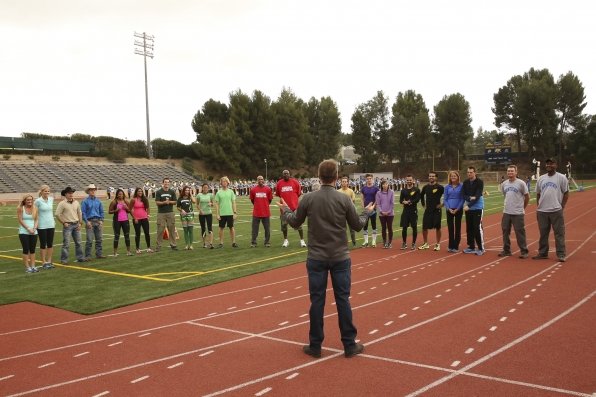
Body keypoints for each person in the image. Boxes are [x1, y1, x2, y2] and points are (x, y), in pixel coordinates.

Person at [278, 159, 374, 359]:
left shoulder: (308, 198)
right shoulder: (344, 199)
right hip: (340, 257)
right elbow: (357, 225)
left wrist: (285, 210)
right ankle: (349, 344)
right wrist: (366, 211)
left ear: (319, 177)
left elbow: (295, 222)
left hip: (316, 257)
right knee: (343, 300)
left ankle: (315, 345)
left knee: (317, 302)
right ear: (337, 178)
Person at [534, 158, 569, 262]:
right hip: (542, 211)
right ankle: (543, 253)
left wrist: (562, 205)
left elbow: (566, 193)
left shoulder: (561, 178)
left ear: (556, 165)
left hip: (556, 210)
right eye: (548, 164)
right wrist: (539, 205)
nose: (549, 165)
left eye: (551, 163)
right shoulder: (541, 179)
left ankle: (561, 254)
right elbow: (538, 194)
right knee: (543, 234)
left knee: (559, 233)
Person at [499, 165, 530, 259]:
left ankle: (524, 251)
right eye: (508, 171)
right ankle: (507, 250)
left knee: (520, 232)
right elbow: (505, 195)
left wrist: (522, 207)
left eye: (512, 171)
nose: (510, 173)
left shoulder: (521, 183)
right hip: (507, 212)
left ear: (516, 172)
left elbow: (527, 197)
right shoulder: (504, 184)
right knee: (505, 231)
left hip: (518, 213)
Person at [276, 170, 306, 247]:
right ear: (282, 175)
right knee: (284, 226)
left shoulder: (295, 182)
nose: (286, 175)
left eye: (287, 174)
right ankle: (285, 240)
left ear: (289, 174)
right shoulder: (279, 183)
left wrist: (293, 202)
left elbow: (299, 194)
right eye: (284, 174)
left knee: (299, 225)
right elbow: (279, 195)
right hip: (284, 208)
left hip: (294, 208)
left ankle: (302, 240)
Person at [55, 187, 84, 264]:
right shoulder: (62, 203)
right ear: (65, 194)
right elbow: (57, 214)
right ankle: (64, 260)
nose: (71, 194)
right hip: (68, 225)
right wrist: (64, 223)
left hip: (76, 224)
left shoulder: (76, 202)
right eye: (69, 193)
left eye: (71, 193)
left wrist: (80, 223)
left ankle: (80, 257)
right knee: (66, 244)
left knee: (78, 242)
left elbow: (79, 213)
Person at [462, 167, 485, 255]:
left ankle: (481, 248)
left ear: (475, 173)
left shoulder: (479, 182)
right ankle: (471, 246)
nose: (469, 174)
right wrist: (469, 198)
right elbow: (463, 195)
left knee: (477, 227)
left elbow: (478, 196)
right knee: (469, 228)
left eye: (471, 172)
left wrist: (469, 205)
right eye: (468, 172)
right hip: (469, 208)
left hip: (477, 208)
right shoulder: (465, 182)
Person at [419, 172, 445, 251]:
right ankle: (425, 243)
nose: (431, 177)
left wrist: (443, 204)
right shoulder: (425, 187)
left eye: (433, 176)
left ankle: (438, 244)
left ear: (436, 178)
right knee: (424, 227)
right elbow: (421, 195)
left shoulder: (440, 187)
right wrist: (423, 205)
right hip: (428, 210)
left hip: (436, 210)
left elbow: (447, 195)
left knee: (438, 227)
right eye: (430, 176)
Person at [81, 184, 105, 261]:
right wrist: (86, 221)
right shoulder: (85, 201)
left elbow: (101, 211)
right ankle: (88, 255)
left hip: (98, 221)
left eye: (94, 190)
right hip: (90, 221)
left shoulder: (98, 201)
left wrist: (101, 220)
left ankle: (99, 253)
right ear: (88, 191)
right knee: (89, 240)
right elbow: (83, 213)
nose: (93, 191)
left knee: (99, 239)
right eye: (91, 190)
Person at [34, 185, 56, 269]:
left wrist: (53, 222)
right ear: (42, 192)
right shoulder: (38, 201)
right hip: (42, 225)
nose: (47, 192)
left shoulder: (51, 199)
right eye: (45, 191)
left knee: (50, 243)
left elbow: (50, 212)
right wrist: (36, 223)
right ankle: (43, 262)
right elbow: (35, 213)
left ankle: (49, 261)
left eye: (48, 191)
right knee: (43, 244)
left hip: (50, 224)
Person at [215, 176, 239, 249]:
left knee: (231, 227)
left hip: (230, 213)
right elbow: (217, 204)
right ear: (221, 183)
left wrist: (235, 212)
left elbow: (233, 202)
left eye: (225, 181)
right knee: (221, 228)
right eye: (223, 181)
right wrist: (217, 214)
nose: (224, 182)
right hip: (222, 213)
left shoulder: (231, 191)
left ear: (228, 183)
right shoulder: (219, 192)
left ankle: (233, 242)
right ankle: (221, 243)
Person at [155, 178, 178, 252]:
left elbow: (175, 202)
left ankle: (173, 244)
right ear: (163, 183)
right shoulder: (159, 192)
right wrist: (164, 202)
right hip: (161, 213)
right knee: (160, 229)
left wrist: (169, 202)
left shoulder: (172, 191)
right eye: (165, 182)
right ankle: (158, 246)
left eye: (168, 182)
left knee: (171, 229)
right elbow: (157, 203)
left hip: (170, 212)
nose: (167, 183)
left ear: (169, 183)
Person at [249, 175, 273, 248]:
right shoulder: (253, 189)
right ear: (257, 180)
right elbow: (252, 200)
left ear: (264, 180)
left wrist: (265, 205)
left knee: (267, 228)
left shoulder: (268, 189)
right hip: (256, 213)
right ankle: (254, 242)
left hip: (266, 212)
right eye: (259, 179)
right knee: (254, 229)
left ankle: (267, 242)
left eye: (262, 179)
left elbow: (270, 200)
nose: (260, 180)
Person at [129, 187, 154, 254]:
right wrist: (134, 218)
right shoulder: (133, 200)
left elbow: (148, 208)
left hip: (144, 218)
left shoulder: (145, 199)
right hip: (137, 219)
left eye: (141, 191)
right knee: (138, 234)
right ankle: (137, 249)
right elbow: (130, 209)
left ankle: (149, 247)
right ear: (136, 192)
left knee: (147, 233)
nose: (140, 192)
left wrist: (148, 216)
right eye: (138, 191)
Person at [18, 194, 39, 273]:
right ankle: (27, 267)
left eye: (31, 200)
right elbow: (20, 220)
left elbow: (36, 220)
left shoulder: (35, 208)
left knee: (33, 250)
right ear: (24, 201)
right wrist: (28, 229)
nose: (30, 201)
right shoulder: (20, 208)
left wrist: (34, 228)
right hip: (24, 232)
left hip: (34, 232)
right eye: (28, 200)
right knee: (26, 249)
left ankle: (33, 266)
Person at [109, 189, 133, 257]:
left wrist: (127, 209)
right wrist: (115, 210)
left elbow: (129, 210)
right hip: (117, 221)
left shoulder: (126, 201)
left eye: (122, 194)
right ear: (117, 195)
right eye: (119, 194)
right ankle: (115, 253)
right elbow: (109, 211)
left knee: (127, 236)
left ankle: (128, 251)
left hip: (125, 220)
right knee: (117, 236)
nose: (121, 195)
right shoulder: (114, 202)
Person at [444, 171, 464, 253]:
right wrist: (448, 208)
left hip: (458, 209)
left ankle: (456, 246)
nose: (453, 177)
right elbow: (445, 199)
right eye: (451, 176)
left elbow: (463, 198)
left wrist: (458, 208)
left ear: (457, 177)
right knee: (450, 228)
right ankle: (450, 245)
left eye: (454, 176)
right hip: (449, 209)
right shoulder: (447, 187)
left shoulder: (461, 186)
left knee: (457, 227)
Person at [399, 174, 420, 250]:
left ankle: (413, 244)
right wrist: (403, 202)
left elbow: (417, 199)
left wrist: (409, 202)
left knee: (414, 227)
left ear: (413, 180)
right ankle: (404, 243)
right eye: (408, 180)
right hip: (405, 211)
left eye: (410, 180)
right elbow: (400, 200)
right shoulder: (403, 190)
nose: (409, 181)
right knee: (404, 227)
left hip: (413, 211)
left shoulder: (416, 190)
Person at [360, 173, 380, 248]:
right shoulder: (363, 188)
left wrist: (373, 207)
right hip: (365, 210)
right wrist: (364, 208)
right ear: (366, 180)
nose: (369, 180)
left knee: (373, 225)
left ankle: (374, 241)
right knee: (365, 225)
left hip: (373, 210)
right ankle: (366, 241)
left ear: (372, 179)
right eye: (367, 179)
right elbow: (362, 199)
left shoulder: (376, 188)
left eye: (370, 179)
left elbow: (376, 199)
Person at [338, 176, 357, 247]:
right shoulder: (338, 191)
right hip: (341, 213)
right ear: (341, 183)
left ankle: (354, 242)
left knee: (352, 229)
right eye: (343, 181)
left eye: (345, 181)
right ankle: (343, 243)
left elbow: (353, 201)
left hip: (349, 212)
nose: (344, 183)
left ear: (347, 183)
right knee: (342, 229)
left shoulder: (351, 191)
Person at [376, 180, 395, 249]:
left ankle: (390, 242)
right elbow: (378, 203)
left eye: (386, 184)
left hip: (390, 213)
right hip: (382, 214)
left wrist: (389, 211)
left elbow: (392, 203)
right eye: (383, 184)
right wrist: (381, 211)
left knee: (389, 227)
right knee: (383, 227)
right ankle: (384, 242)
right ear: (381, 185)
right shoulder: (378, 193)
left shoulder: (391, 192)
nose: (385, 185)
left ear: (388, 185)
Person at [177, 185, 197, 250]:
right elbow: (178, 207)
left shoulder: (190, 197)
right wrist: (181, 210)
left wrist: (191, 195)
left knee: (190, 230)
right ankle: (186, 245)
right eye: (186, 190)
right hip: (183, 215)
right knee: (185, 230)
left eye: (188, 190)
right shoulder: (180, 198)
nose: (187, 191)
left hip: (190, 214)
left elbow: (194, 201)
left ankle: (191, 245)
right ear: (183, 191)